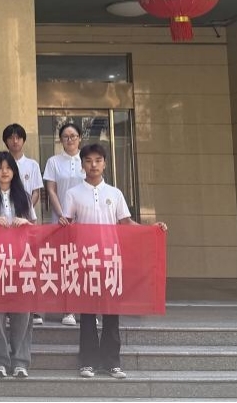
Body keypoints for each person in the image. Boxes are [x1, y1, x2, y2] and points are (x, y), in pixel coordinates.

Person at [65, 143, 168, 380]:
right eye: (88, 161)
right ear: (82, 165)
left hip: (111, 259)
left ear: (105, 163)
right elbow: (67, 224)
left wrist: (151, 229)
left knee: (112, 313)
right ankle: (88, 362)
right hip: (85, 261)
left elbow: (126, 223)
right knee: (87, 314)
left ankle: (112, 362)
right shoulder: (73, 193)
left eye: (98, 160)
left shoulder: (115, 193)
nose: (93, 165)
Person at [0, 151, 35, 379]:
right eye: (0, 167)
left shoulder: (24, 197)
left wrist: (25, 223)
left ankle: (20, 361)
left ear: (14, 171)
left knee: (23, 312)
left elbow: (35, 230)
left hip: (21, 261)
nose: (4, 171)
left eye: (8, 167)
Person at [43, 121, 86, 327]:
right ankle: (68, 310)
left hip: (85, 220)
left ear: (80, 138)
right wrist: (62, 214)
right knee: (66, 265)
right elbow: (51, 190)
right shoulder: (53, 161)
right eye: (65, 137)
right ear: (60, 140)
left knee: (85, 264)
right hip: (61, 221)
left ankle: (88, 310)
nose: (70, 140)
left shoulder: (87, 159)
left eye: (73, 136)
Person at [2, 123, 45, 325]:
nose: (15, 141)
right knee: (8, 266)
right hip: (4, 225)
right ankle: (8, 310)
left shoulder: (32, 165)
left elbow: (36, 191)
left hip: (25, 222)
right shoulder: (2, 163)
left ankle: (32, 309)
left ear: (23, 140)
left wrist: (26, 209)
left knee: (28, 264)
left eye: (18, 137)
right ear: (6, 141)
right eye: (11, 137)